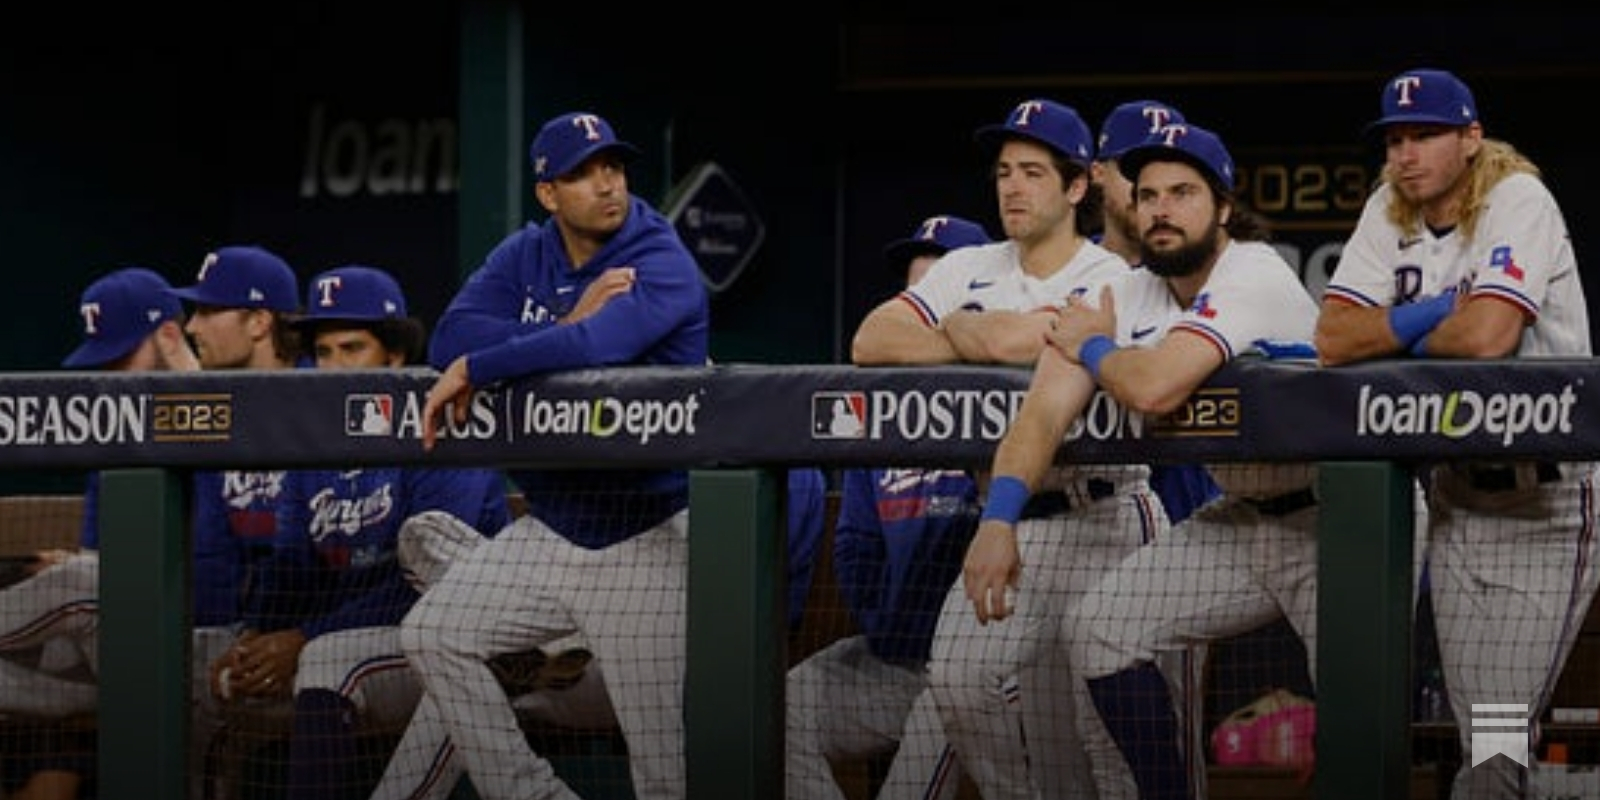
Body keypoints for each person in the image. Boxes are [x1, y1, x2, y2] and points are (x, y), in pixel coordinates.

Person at [975, 122, 1317, 800]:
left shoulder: (1253, 269)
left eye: (1184, 192)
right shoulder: (1123, 294)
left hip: (1340, 518)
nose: (1162, 208)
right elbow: (1041, 413)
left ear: (1222, 207)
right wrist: (998, 519)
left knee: (1381, 715)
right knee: (1100, 630)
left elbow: (1155, 386)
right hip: (1245, 519)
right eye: (1149, 193)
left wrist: (1100, 352)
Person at [383, 109, 709, 800]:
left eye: (613, 167)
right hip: (553, 529)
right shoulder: (525, 253)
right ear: (548, 194)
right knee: (434, 633)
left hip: (646, 536)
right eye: (582, 174)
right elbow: (450, 337)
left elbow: (601, 348)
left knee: (665, 776)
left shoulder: (659, 256)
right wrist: (561, 325)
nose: (606, 185)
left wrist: (490, 363)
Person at [853, 98, 1161, 800]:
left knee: (1108, 738)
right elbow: (871, 341)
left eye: (1031, 172)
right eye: (1002, 173)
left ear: (1077, 185)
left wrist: (967, 330)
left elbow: (1020, 344)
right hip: (1012, 517)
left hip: (1106, 516)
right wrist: (976, 328)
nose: (1012, 187)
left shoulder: (1113, 274)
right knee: (961, 681)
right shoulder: (968, 264)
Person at [1313, 67, 1598, 800]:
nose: (1407, 154)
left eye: (1426, 136)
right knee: (1487, 741)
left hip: (1548, 504)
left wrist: (1399, 336)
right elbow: (1334, 337)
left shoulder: (1517, 198)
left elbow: (1488, 335)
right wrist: (1428, 313)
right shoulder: (1389, 209)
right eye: (1396, 139)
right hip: (1456, 502)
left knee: (1497, 743)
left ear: (1471, 138)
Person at [205, 264, 512, 800]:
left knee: (328, 660)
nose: (334, 368)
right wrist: (257, 637)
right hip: (358, 639)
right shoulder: (316, 444)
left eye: (352, 349)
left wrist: (302, 638)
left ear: (394, 355)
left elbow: (428, 585)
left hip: (464, 639)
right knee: (210, 676)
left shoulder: (442, 426)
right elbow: (292, 564)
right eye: (323, 353)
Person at [787, 214, 988, 800]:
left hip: (981, 668)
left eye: (938, 295)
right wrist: (885, 624)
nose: (921, 313)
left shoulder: (1016, 396)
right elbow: (855, 542)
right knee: (774, 712)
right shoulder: (882, 409)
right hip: (894, 660)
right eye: (913, 296)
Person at [0, 267, 201, 800]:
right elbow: (100, 558)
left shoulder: (232, 422)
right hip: (107, 646)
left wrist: (85, 569)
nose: (109, 375)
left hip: (200, 642)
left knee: (85, 579)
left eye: (120, 358)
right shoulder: (114, 434)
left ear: (169, 337)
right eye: (102, 361)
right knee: (83, 577)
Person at [1091, 99, 1222, 525]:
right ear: (1096, 174)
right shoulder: (1076, 276)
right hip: (1105, 509)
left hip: (1200, 499)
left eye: (1175, 181)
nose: (1150, 191)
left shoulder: (1219, 275)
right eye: (1135, 175)